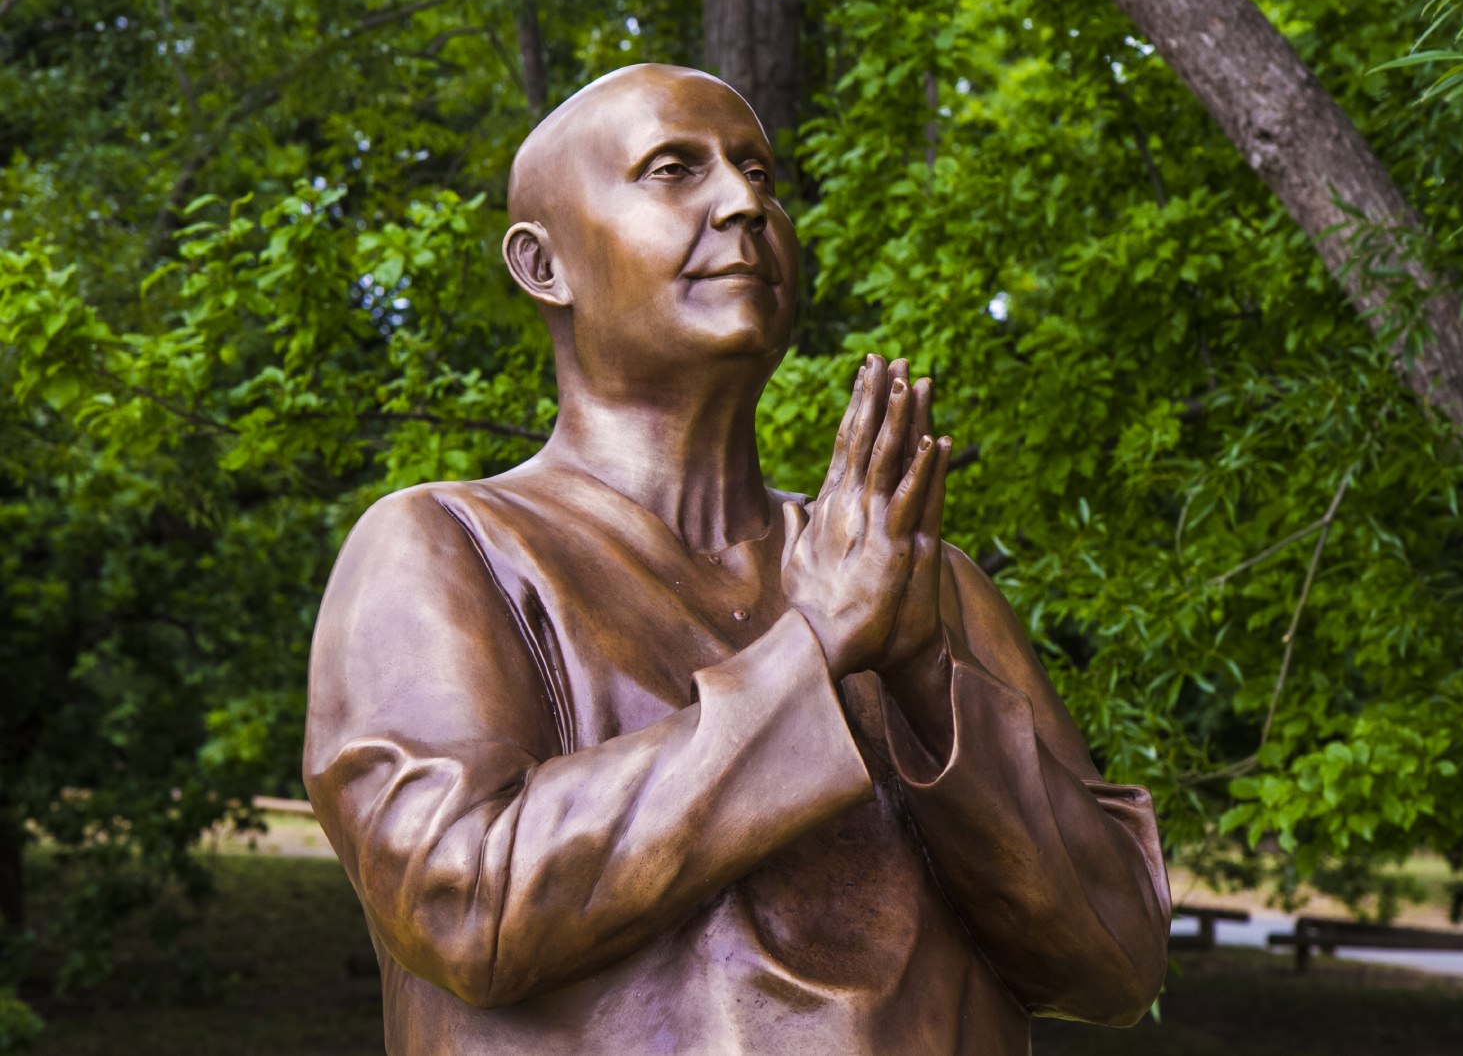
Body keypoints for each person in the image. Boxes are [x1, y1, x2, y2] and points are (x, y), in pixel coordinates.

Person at [304, 63, 1169, 1056]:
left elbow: (1117, 958)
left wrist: (926, 672)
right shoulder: (442, 548)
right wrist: (815, 647)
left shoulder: (916, 577)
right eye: (674, 169)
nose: (743, 203)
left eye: (760, 173)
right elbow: (466, 904)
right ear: (545, 265)